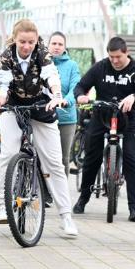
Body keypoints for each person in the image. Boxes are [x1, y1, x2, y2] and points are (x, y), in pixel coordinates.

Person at [0, 20, 78, 238]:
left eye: (31, 42)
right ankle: (4, 203)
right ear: (15, 39)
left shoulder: (42, 53)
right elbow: (2, 84)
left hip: (41, 105)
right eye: (22, 41)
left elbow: (51, 76)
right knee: (8, 153)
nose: (26, 46)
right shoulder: (6, 56)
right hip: (13, 105)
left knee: (54, 163)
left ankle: (66, 216)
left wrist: (57, 96)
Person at [72, 36, 135, 222]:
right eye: (111, 57)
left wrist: (134, 97)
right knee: (92, 155)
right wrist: (80, 96)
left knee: (133, 158)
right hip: (102, 115)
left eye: (118, 57)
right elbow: (80, 86)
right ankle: (83, 198)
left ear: (126, 52)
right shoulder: (101, 67)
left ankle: (134, 208)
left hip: (128, 118)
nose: (115, 61)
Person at [47, 31, 80, 177]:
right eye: (53, 43)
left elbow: (75, 87)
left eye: (60, 44)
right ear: (48, 45)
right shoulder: (42, 63)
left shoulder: (72, 65)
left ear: (65, 47)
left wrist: (66, 100)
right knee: (44, 157)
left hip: (66, 118)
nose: (56, 47)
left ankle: (61, 196)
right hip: (44, 117)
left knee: (63, 159)